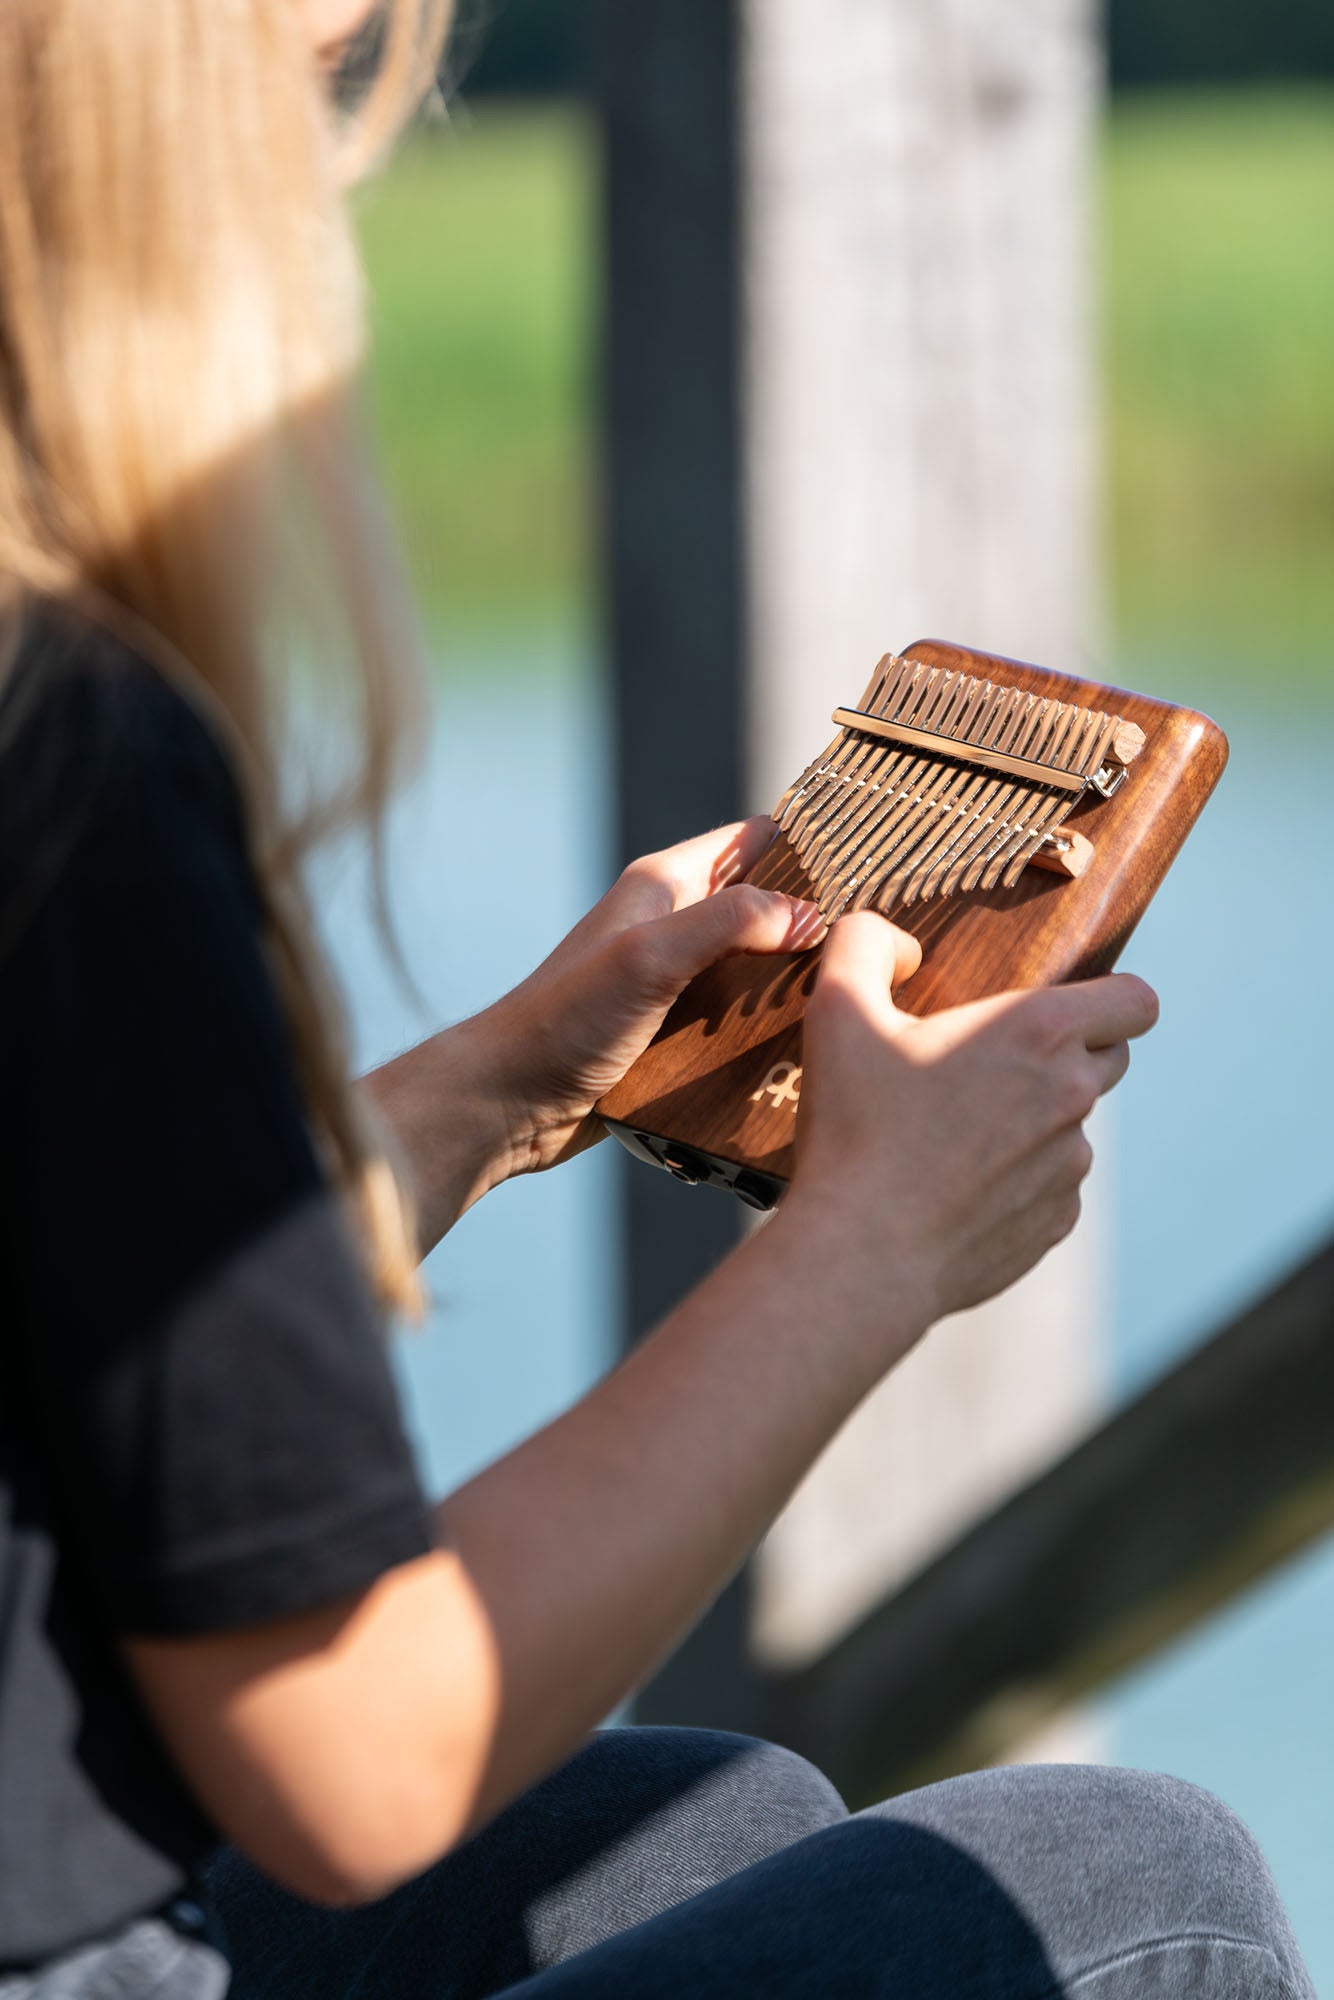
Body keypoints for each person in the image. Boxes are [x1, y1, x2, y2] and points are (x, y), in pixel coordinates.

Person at [0, 3, 1315, 1996]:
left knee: (707, 1819)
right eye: (307, 84)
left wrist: (498, 1087)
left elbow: (80, 1312)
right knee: (1137, 1877)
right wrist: (870, 1245)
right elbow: (349, 1753)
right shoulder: (63, 754)